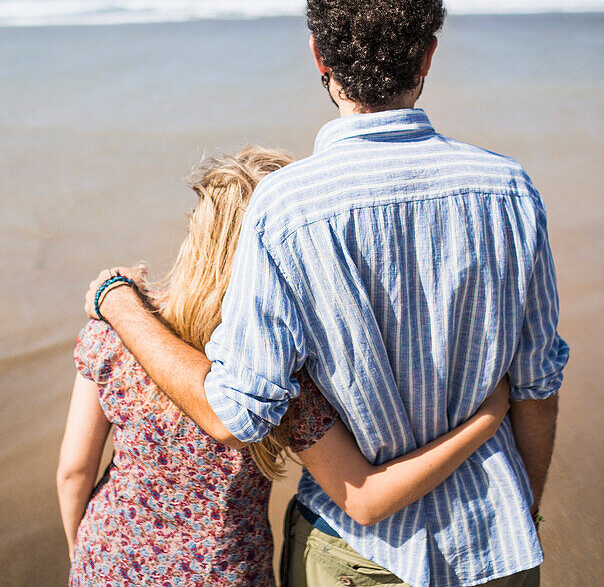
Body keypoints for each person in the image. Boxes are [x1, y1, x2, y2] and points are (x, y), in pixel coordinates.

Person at [88, 0, 569, 587]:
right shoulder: (510, 190)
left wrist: (119, 302)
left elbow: (236, 412)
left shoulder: (286, 207)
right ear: (428, 54)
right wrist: (523, 508)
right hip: (497, 546)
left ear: (319, 55)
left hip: (359, 556)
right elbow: (537, 388)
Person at [59, 146, 514, 586]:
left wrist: (82, 556)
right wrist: (488, 417)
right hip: (222, 573)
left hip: (105, 561)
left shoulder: (112, 333)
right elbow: (367, 500)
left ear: (197, 234)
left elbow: (74, 472)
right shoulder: (281, 377)